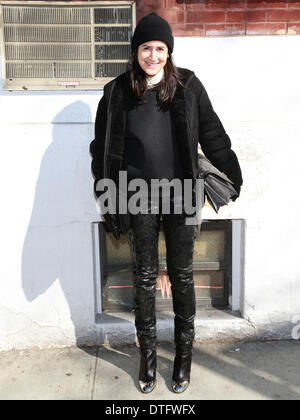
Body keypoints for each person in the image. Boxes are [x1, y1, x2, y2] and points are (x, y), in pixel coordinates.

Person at [90, 13, 243, 394]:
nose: (153, 56)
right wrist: (108, 192)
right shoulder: (116, 92)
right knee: (143, 277)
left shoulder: (188, 86)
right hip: (137, 196)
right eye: (146, 48)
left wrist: (231, 174)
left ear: (168, 52)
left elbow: (212, 132)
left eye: (160, 48)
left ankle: (184, 357)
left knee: (183, 275)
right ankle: (146, 359)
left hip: (182, 195)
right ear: (135, 52)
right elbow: (102, 148)